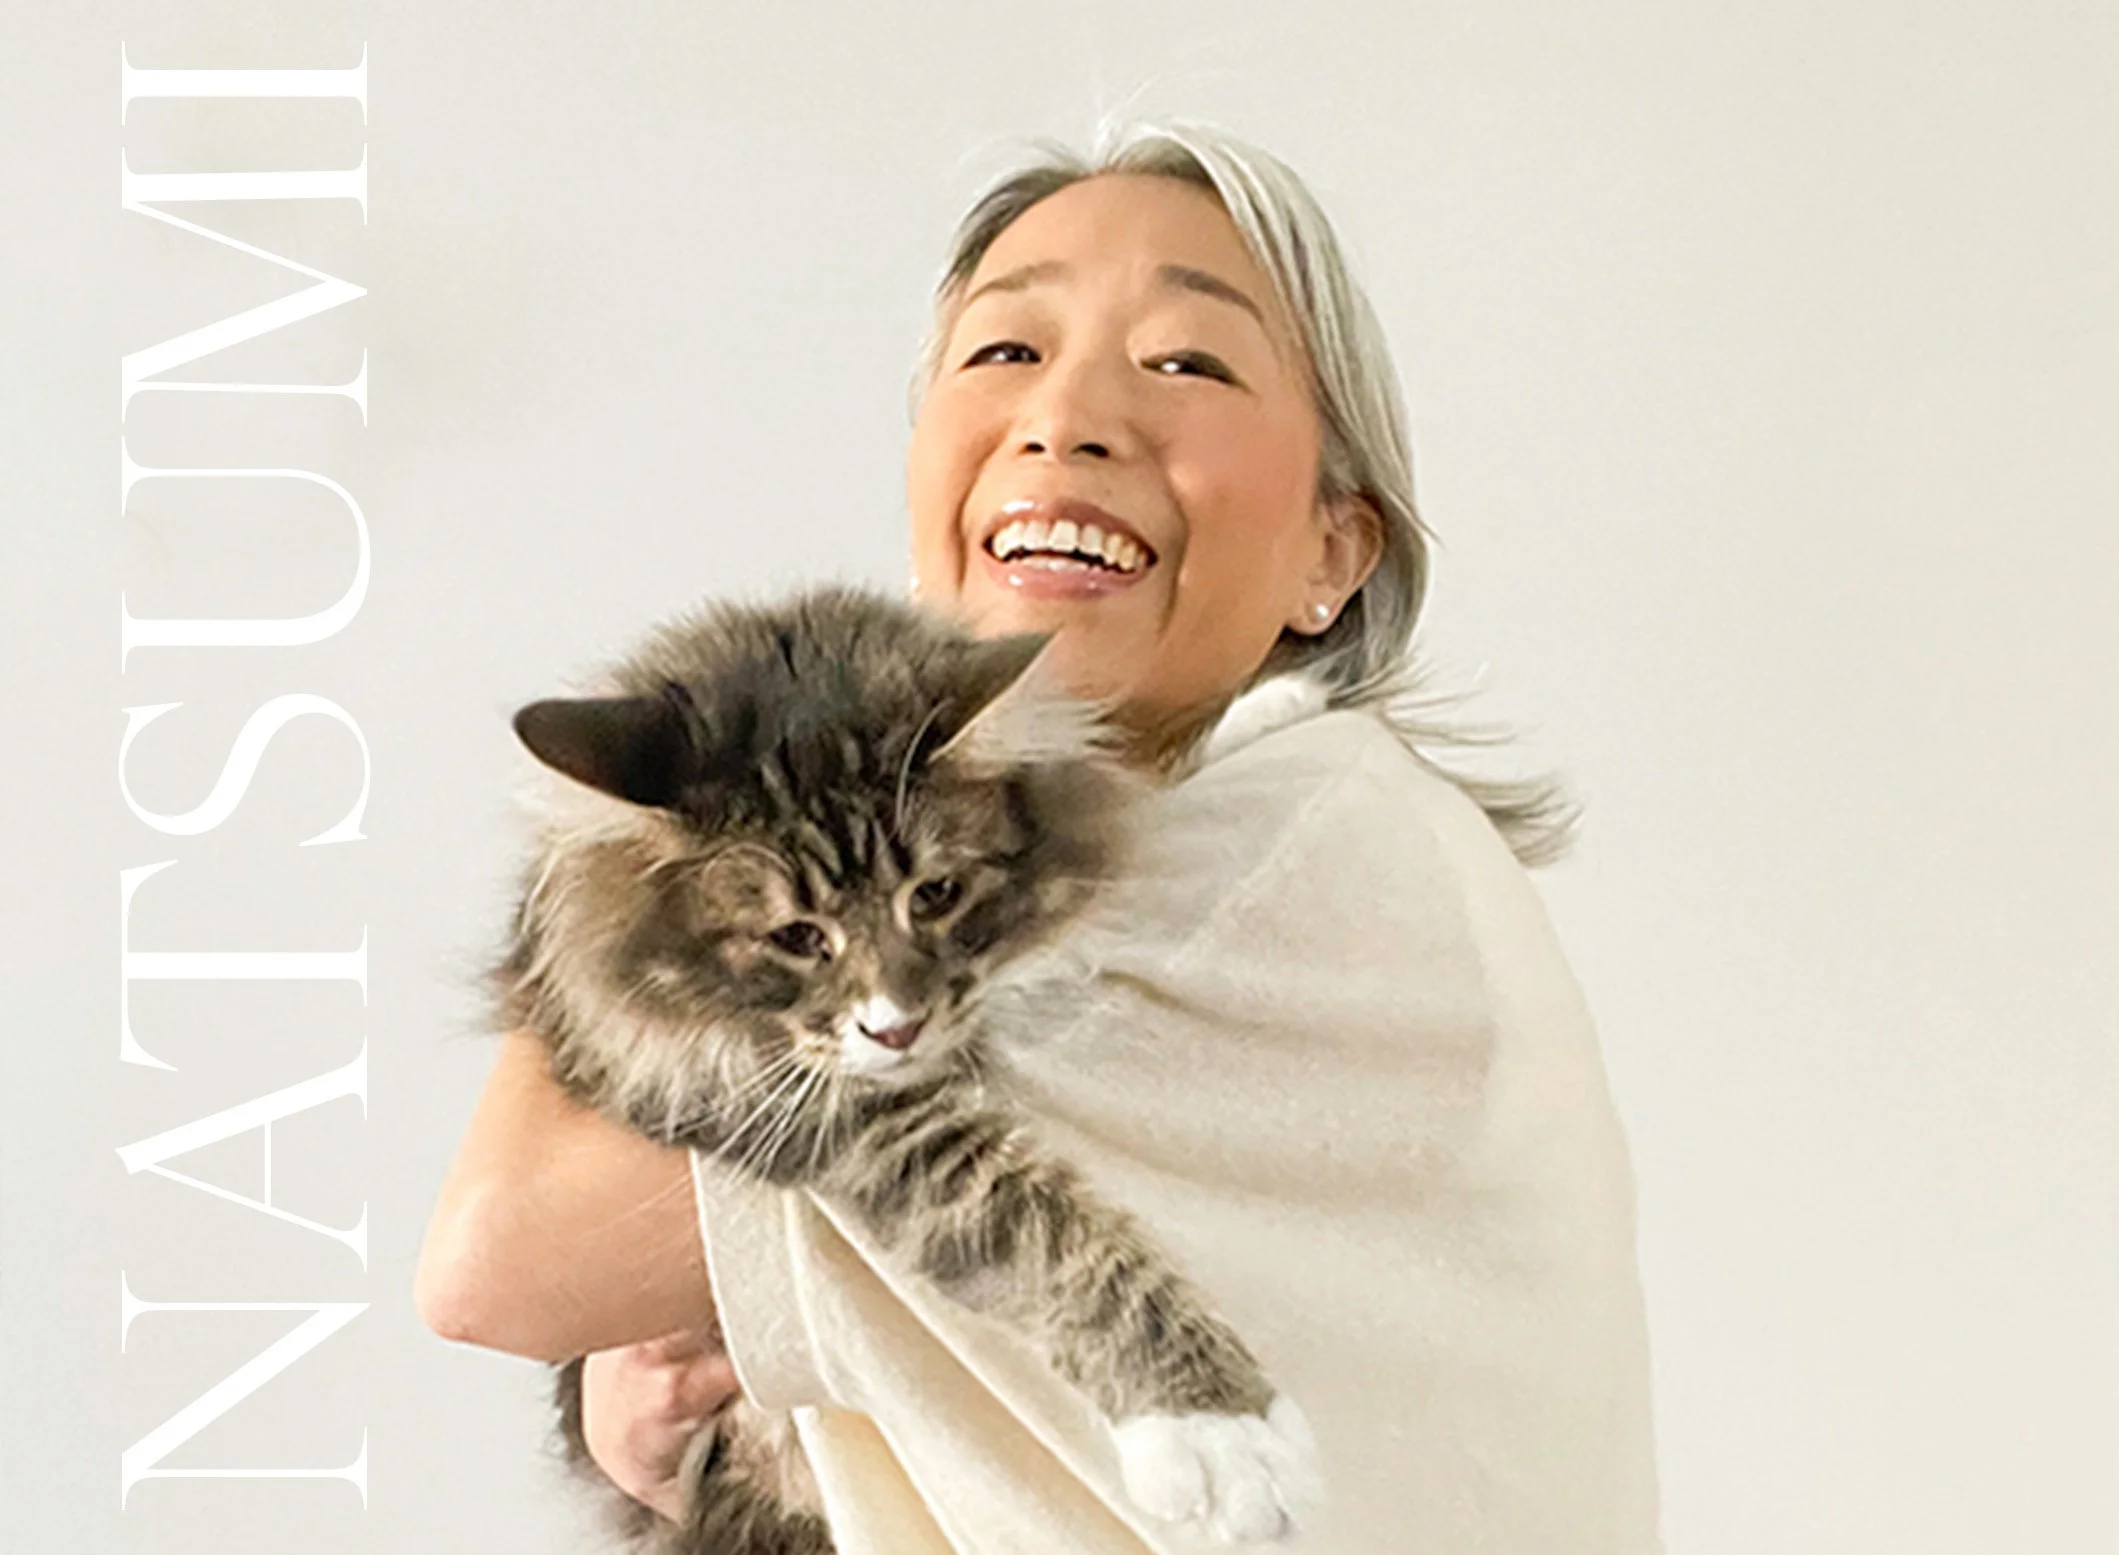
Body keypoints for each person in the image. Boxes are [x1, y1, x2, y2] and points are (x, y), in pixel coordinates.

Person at [418, 118, 1664, 1553]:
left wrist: (600, 914)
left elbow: (496, 1258)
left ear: (1333, 549)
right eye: (1003, 352)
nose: (1065, 416)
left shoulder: (1274, 849)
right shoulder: (987, 824)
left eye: (1186, 361)